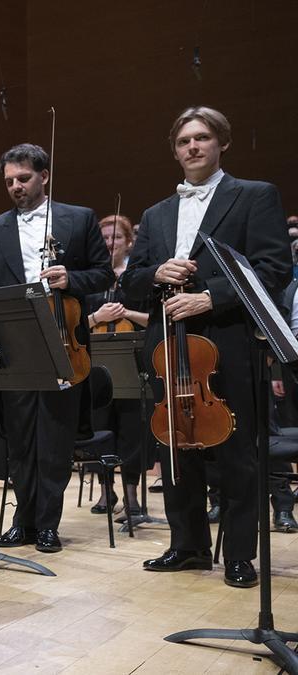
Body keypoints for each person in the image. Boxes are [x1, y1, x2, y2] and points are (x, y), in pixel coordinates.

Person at [125, 106, 289, 588]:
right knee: (176, 449)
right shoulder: (156, 214)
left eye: (202, 139)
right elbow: (131, 282)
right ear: (174, 150)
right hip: (167, 347)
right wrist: (155, 273)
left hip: (227, 343)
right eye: (183, 142)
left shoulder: (254, 196)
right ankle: (188, 546)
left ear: (221, 143)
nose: (192, 147)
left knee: (237, 452)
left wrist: (209, 297)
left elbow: (273, 268)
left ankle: (240, 555)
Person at [0, 143, 112, 553]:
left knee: (53, 440)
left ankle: (48, 524)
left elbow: (102, 274)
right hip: (15, 348)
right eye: (9, 181)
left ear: (44, 176)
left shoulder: (79, 218)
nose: (15, 186)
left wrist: (71, 279)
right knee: (19, 441)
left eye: (24, 178)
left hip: (64, 343)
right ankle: (23, 520)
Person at [83, 214, 149, 516]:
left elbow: (154, 321)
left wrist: (126, 313)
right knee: (101, 427)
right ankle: (106, 492)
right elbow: (76, 325)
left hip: (132, 363)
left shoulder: (138, 278)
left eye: (117, 238)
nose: (111, 244)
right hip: (96, 363)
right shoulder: (92, 279)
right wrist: (98, 317)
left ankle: (131, 495)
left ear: (129, 242)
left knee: (132, 431)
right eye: (106, 238)